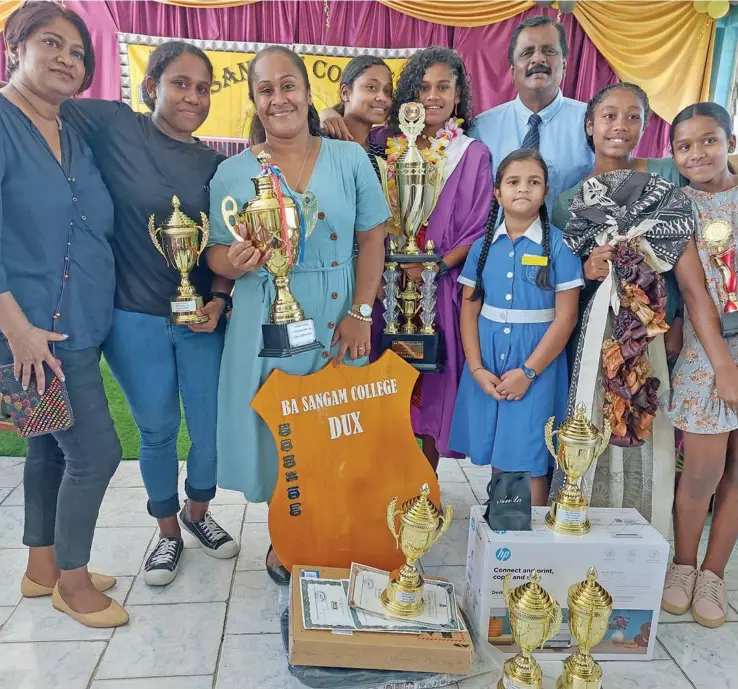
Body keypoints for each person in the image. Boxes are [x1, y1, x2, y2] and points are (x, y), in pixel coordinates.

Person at [59, 41, 239, 586]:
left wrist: (220, 299)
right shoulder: (117, 126)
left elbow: (230, 242)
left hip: (202, 317)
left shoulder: (218, 166)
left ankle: (198, 514)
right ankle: (166, 532)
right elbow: (39, 102)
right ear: (150, 86)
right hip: (132, 316)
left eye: (203, 88)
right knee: (158, 429)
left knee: (207, 428)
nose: (193, 96)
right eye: (180, 83)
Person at [206, 46, 387, 584]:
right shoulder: (232, 172)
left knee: (335, 425)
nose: (278, 98)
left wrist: (362, 311)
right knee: (277, 429)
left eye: (288, 85)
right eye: (265, 89)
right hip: (265, 312)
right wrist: (233, 261)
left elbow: (373, 237)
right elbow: (215, 252)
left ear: (307, 93)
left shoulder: (350, 158)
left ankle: (330, 531)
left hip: (338, 314)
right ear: (255, 101)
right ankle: (285, 539)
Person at [0, 1, 127, 627]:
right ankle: (73, 584)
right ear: (14, 47)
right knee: (95, 451)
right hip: (33, 332)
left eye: (78, 53)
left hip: (77, 325)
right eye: (51, 43)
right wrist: (17, 330)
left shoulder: (72, 129)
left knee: (48, 446)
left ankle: (41, 565)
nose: (66, 59)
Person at [449, 150, 582, 504]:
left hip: (536, 363)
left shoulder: (559, 247)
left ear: (545, 191)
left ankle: (529, 544)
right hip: (489, 360)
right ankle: (503, 536)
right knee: (500, 445)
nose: (523, 189)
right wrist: (476, 368)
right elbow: (469, 308)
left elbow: (566, 318)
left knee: (530, 455)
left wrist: (528, 371)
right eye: (513, 182)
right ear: (497, 193)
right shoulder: (481, 247)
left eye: (533, 182)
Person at [663, 103, 738, 629]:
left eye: (709, 141)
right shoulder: (676, 207)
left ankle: (714, 572)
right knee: (703, 473)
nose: (697, 154)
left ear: (729, 140)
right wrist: (724, 367)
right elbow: (694, 292)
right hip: (706, 350)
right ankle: (684, 564)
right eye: (685, 146)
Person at [552, 83, 685, 369]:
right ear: (590, 125)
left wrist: (680, 320)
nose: (621, 126)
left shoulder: (670, 174)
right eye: (609, 116)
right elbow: (562, 274)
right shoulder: (568, 202)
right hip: (600, 334)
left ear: (645, 126)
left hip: (661, 329)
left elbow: (690, 252)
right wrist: (585, 271)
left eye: (633, 117)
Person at [469, 15, 594, 209]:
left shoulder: (592, 122)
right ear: (512, 72)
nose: (538, 58)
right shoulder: (482, 129)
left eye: (549, 50)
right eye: (527, 52)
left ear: (564, 65)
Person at [319, 54, 393, 176]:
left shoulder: (382, 155)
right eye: (371, 87)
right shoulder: (322, 142)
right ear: (345, 93)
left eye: (388, 91)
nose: (383, 98)